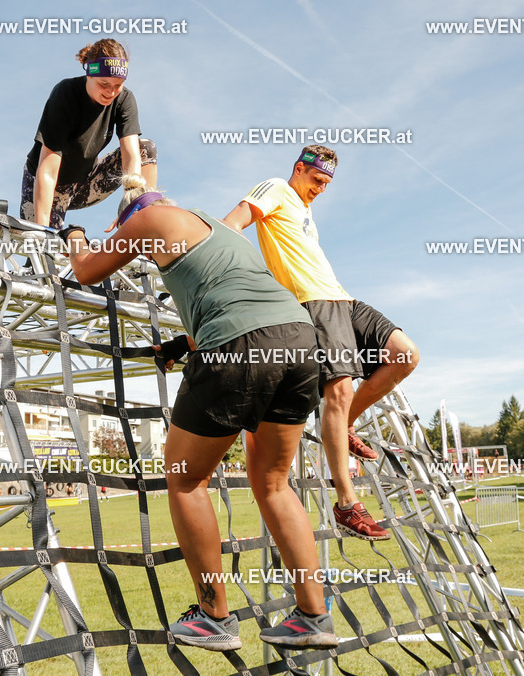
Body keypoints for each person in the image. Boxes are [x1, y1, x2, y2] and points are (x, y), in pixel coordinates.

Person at [65, 178, 337, 651]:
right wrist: (183, 343)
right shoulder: (216, 230)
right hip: (300, 341)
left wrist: (73, 236)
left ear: (126, 220)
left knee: (185, 479)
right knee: (273, 483)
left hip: (241, 343)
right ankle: (313, 616)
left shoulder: (145, 218)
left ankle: (213, 616)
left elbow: (88, 270)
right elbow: (236, 300)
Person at [223, 146, 419, 541]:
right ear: (298, 169)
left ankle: (343, 426)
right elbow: (232, 224)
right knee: (339, 392)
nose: (321, 189)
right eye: (316, 180)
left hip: (344, 298)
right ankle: (347, 505)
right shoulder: (276, 188)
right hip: (312, 301)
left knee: (406, 355)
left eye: (327, 184)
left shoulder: (306, 210)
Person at [21, 38, 158, 230]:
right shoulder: (65, 94)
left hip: (86, 183)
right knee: (46, 249)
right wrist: (43, 233)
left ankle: (145, 216)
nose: (111, 92)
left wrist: (131, 208)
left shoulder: (125, 99)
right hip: (47, 185)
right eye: (104, 84)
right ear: (89, 74)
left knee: (146, 148)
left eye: (118, 85)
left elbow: (131, 156)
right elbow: (48, 170)